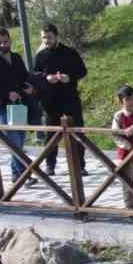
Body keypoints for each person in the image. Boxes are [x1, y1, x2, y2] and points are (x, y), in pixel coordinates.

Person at [0, 28, 39, 177]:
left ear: (10, 41)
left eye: (5, 41)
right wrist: (6, 94)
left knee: (19, 140)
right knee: (13, 140)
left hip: (19, 105)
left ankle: (16, 173)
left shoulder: (16, 58)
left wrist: (28, 87)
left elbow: (24, 77)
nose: (2, 45)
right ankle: (23, 174)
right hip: (4, 107)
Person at [33, 23, 88, 175]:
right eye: (44, 37)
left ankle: (80, 165)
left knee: (77, 132)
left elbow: (82, 71)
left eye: (49, 37)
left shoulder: (69, 52)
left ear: (56, 36)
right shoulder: (40, 56)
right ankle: (50, 165)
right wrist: (46, 78)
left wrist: (68, 77)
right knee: (52, 134)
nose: (46, 40)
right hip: (50, 100)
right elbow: (34, 76)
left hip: (70, 98)